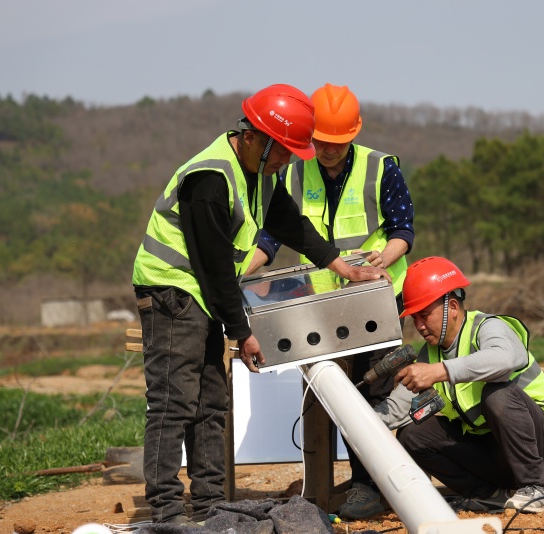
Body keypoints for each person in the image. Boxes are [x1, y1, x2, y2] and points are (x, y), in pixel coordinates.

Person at [131, 84, 390, 527]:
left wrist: (344, 269)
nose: (286, 161)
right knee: (174, 403)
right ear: (252, 137)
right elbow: (214, 268)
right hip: (172, 292)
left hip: (202, 295)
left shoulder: (259, 174)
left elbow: (292, 225)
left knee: (211, 403)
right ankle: (167, 512)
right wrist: (242, 332)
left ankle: (210, 506)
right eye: (282, 151)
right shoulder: (209, 180)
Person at [247, 83, 415, 520]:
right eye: (321, 141)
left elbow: (403, 229)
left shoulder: (381, 168)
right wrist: (243, 271)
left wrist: (383, 259)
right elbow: (271, 236)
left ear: (353, 134)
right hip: (319, 302)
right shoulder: (291, 173)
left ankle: (369, 485)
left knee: (373, 390)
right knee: (330, 390)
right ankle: (324, 484)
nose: (328, 150)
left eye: (338, 142)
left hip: (377, 298)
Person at [373, 256, 544, 514]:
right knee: (413, 434)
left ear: (452, 307)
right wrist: (353, 419)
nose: (419, 326)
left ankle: (536, 489)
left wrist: (439, 371)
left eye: (424, 315)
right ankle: (488, 496)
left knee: (497, 395)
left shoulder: (489, 328)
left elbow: (505, 358)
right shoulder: (429, 355)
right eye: (414, 318)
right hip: (498, 454)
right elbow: (395, 410)